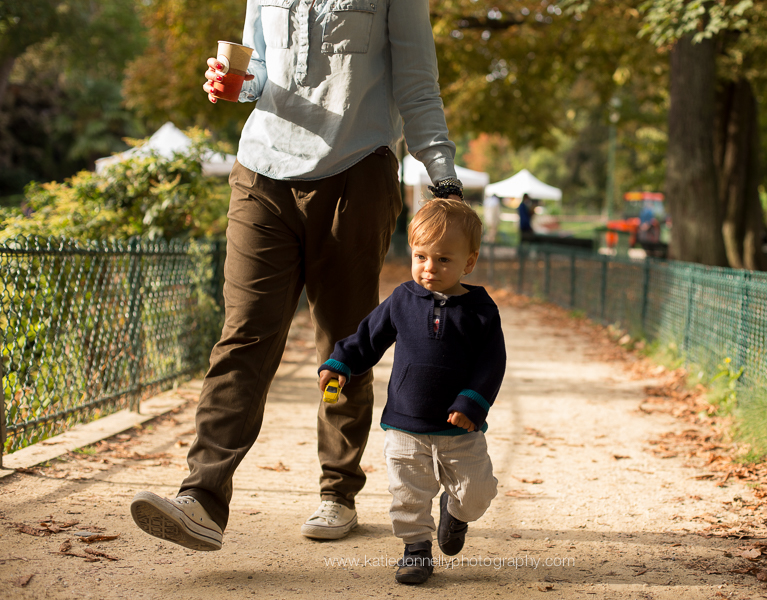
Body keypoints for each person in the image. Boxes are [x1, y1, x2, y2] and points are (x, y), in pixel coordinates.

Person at [129, 0, 465, 551]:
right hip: (262, 170)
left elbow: (417, 83)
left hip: (355, 171)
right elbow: (260, 72)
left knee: (344, 341)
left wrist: (443, 178)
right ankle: (202, 498)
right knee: (244, 334)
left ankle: (338, 492)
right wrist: (235, 85)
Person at [318, 199, 504, 584]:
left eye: (443, 260)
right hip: (406, 421)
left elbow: (492, 364)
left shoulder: (481, 310)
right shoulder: (403, 299)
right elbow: (367, 338)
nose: (429, 268)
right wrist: (340, 363)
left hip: (459, 429)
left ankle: (455, 512)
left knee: (478, 492)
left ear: (469, 262)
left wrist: (473, 402)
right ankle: (415, 549)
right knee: (408, 492)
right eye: (421, 256)